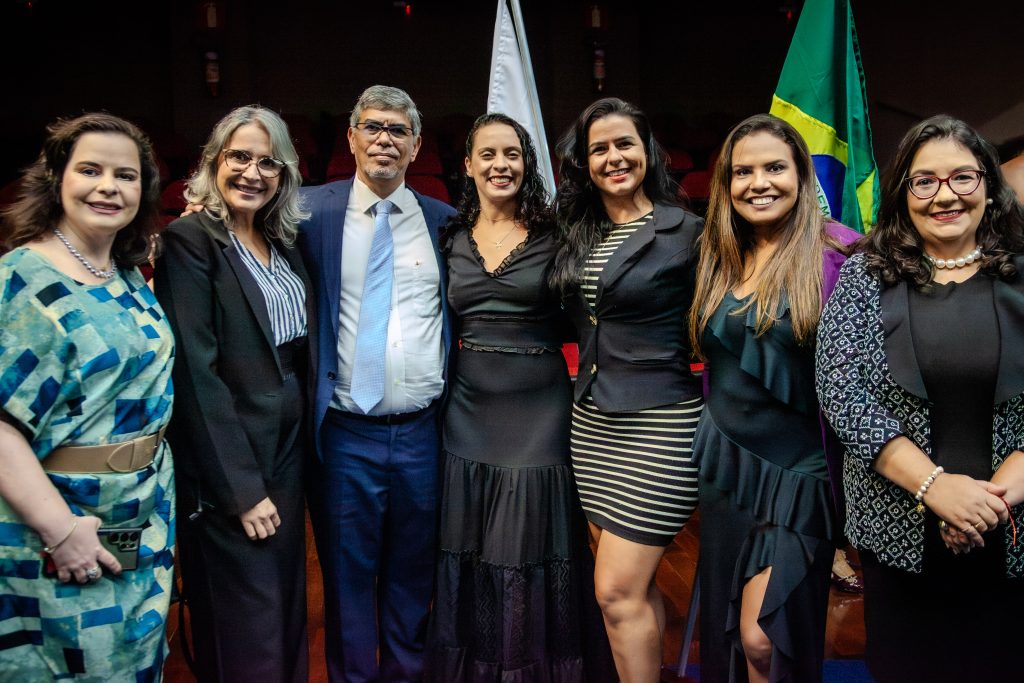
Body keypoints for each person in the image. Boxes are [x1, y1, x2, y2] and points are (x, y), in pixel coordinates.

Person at [817, 114, 1024, 682]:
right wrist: (937, 489)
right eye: (924, 181)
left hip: (1013, 526)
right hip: (898, 527)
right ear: (903, 193)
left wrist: (987, 505)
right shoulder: (864, 275)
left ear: (988, 184)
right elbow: (842, 392)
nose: (945, 195)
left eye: (963, 177)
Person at [424, 112, 612, 680]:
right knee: (471, 546)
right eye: (488, 154)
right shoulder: (448, 236)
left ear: (528, 164)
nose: (500, 164)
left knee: (524, 545)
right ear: (468, 165)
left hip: (539, 411)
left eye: (512, 154)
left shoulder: (560, 235)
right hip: (467, 411)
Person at [0, 113, 174, 680]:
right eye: (90, 170)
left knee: (134, 663)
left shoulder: (123, 272)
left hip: (139, 516)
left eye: (126, 175)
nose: (108, 187)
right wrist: (61, 530)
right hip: (62, 525)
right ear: (57, 179)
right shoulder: (21, 279)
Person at [688, 113, 858, 683]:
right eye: (744, 172)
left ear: (801, 176)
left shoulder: (841, 254)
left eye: (775, 168)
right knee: (731, 633)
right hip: (726, 466)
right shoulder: (717, 254)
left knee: (765, 636)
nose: (758, 183)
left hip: (801, 470)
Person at [298, 85, 455, 682]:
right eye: (372, 127)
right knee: (347, 580)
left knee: (415, 575)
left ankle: (407, 675)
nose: (384, 139)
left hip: (422, 433)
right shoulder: (309, 213)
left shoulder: (446, 224)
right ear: (351, 138)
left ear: (415, 145)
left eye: (397, 130)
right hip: (345, 434)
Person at [154, 105, 312, 682]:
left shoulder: (281, 239)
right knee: (245, 620)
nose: (252, 172)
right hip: (232, 461)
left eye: (268, 162)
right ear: (213, 162)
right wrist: (241, 491)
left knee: (284, 606)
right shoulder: (190, 240)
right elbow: (195, 375)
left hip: (287, 451)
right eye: (239, 157)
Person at [549, 97, 704, 681]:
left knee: (615, 591)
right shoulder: (578, 233)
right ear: (585, 163)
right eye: (599, 149)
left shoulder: (686, 232)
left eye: (624, 144)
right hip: (591, 423)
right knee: (633, 591)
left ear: (648, 151)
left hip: (660, 423)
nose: (613, 158)